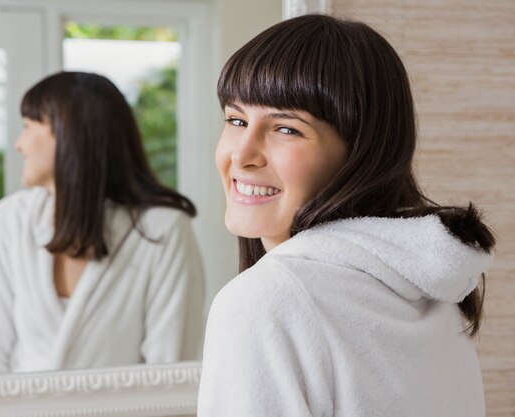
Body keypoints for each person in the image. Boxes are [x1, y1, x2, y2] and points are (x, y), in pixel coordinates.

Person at [197, 14, 494, 417]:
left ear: (361, 154)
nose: (242, 155)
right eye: (236, 120)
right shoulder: (431, 293)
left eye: (287, 129)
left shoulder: (263, 303)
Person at [0, 71, 205, 376]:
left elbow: (169, 368)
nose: (19, 144)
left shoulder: (163, 230)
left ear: (67, 132)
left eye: (27, 126)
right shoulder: (9, 221)